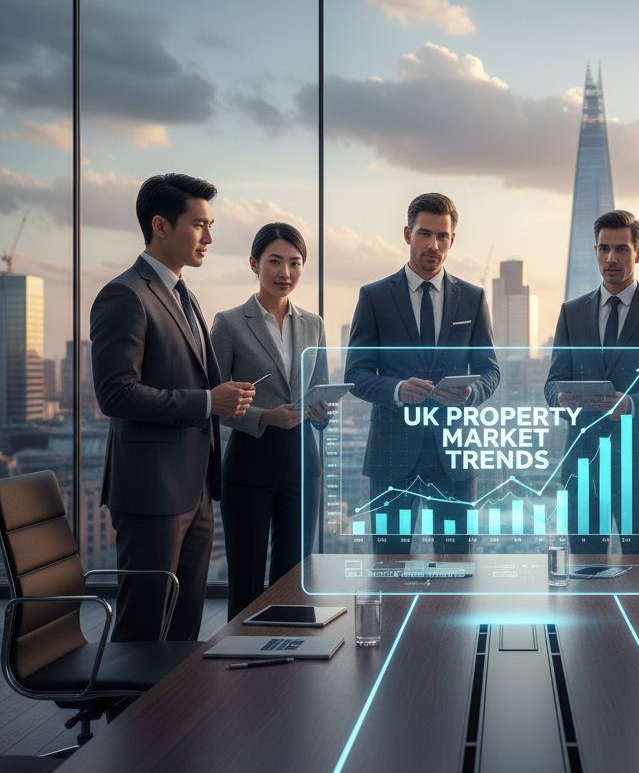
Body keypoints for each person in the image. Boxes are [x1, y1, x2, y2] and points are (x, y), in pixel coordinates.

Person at [91, 173, 255, 641]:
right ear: (160, 225)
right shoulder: (125, 294)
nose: (209, 237)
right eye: (200, 224)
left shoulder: (184, 294)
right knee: (143, 626)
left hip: (195, 488)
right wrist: (206, 401)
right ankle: (130, 716)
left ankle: (175, 716)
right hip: (151, 493)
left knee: (184, 625)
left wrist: (224, 397)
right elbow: (116, 394)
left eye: (211, 224)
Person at [345, 192, 500, 553]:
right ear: (407, 234)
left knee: (457, 567)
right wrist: (397, 389)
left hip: (455, 456)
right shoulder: (374, 296)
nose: (433, 244)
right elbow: (357, 372)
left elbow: (489, 370)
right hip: (391, 452)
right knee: (388, 565)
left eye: (442, 236)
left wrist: (471, 394)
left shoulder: (473, 298)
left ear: (452, 240)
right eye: (424, 234)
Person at [544, 210, 639, 554]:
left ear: (638, 253)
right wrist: (561, 400)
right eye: (604, 248)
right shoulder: (571, 312)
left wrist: (632, 404)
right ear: (594, 251)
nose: (612, 258)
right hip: (583, 460)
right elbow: (552, 384)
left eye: (622, 249)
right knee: (584, 573)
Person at [210, 223, 332, 621]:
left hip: (302, 464)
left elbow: (321, 388)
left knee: (294, 575)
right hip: (250, 462)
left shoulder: (314, 324)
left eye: (295, 263)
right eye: (275, 262)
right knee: (244, 577)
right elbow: (213, 400)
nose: (285, 273)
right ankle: (239, 663)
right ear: (254, 264)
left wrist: (321, 411)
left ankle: (290, 663)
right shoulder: (229, 323)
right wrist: (266, 416)